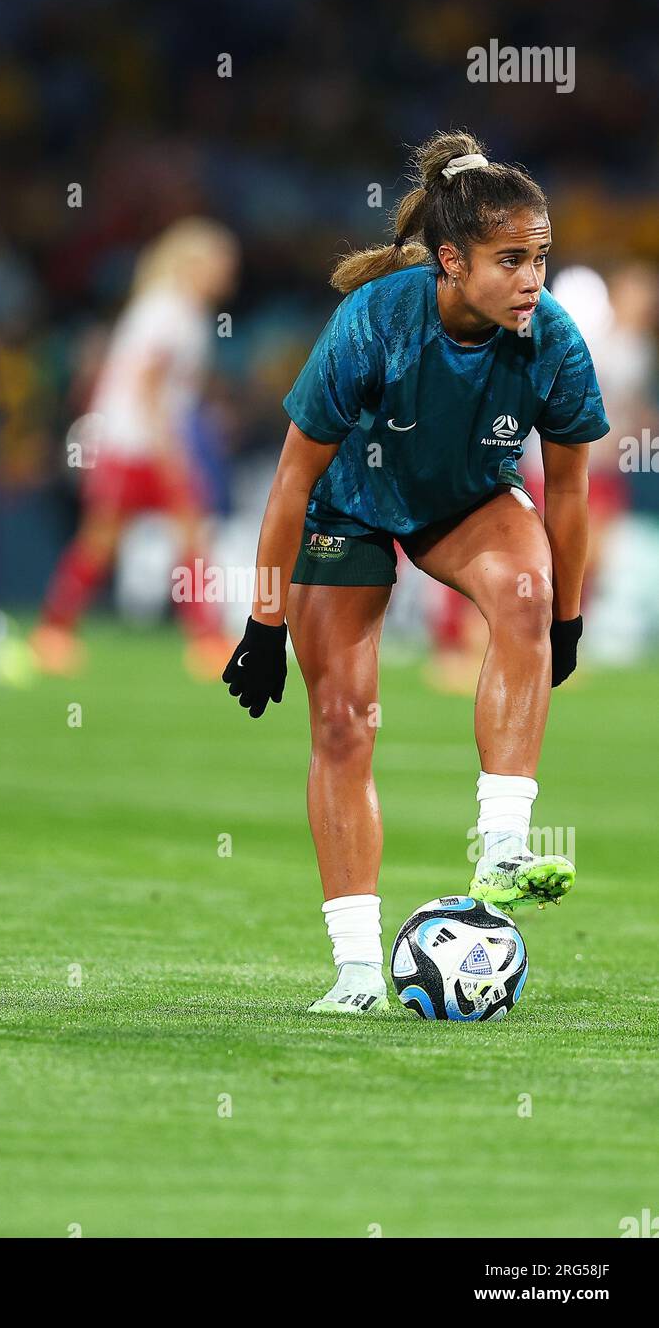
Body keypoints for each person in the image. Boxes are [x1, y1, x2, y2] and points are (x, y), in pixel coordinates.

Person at [222, 130, 610, 1016]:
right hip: (351, 506)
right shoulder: (374, 321)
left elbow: (573, 493)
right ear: (449, 260)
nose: (532, 281)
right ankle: (358, 967)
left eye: (541, 259)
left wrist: (569, 620)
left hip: (463, 499)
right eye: (510, 260)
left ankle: (504, 841)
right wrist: (264, 623)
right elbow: (291, 478)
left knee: (526, 590)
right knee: (345, 722)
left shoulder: (551, 340)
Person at [31, 217, 239, 679]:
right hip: (140, 444)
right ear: (195, 264)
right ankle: (206, 642)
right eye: (221, 264)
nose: (228, 274)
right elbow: (148, 388)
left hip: (126, 441)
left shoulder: (164, 308)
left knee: (121, 539)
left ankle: (54, 631)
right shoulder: (173, 313)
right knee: (167, 538)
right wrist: (172, 454)